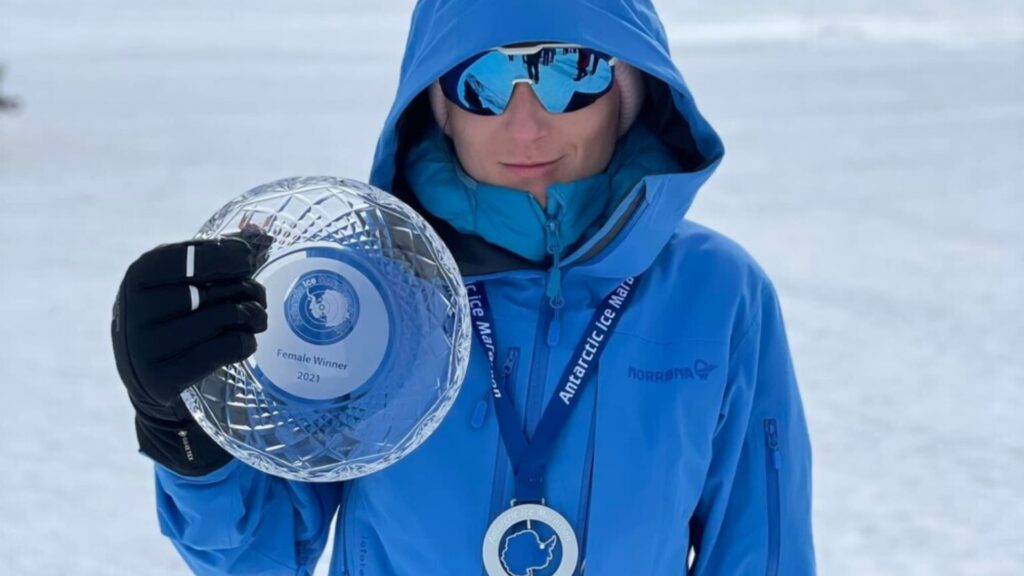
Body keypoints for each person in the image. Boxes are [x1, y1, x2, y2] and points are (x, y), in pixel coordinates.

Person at [110, 0, 816, 574]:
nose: (525, 122)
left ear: (631, 92)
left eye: (568, 72)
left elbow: (762, 553)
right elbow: (258, 556)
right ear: (436, 104)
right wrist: (185, 435)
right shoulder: (367, 289)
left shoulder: (718, 294)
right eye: (479, 82)